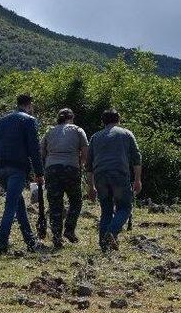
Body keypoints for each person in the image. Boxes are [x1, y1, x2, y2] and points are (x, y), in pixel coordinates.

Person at [0, 94, 45, 256]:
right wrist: (39, 172)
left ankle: (30, 241)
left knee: (18, 203)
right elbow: (34, 148)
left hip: (0, 168)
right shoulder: (28, 120)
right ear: (30, 105)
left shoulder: (1, 121)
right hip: (17, 168)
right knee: (10, 206)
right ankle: (0, 244)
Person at [86, 109, 142, 252]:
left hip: (100, 176)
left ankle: (104, 245)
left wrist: (90, 186)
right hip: (119, 174)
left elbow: (89, 164)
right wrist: (137, 180)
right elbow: (136, 158)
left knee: (106, 210)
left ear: (103, 122)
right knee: (124, 207)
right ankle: (111, 232)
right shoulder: (126, 134)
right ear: (119, 119)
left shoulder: (95, 137)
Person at [40, 108, 89, 249]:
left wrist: (47, 165)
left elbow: (42, 151)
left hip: (52, 169)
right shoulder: (78, 130)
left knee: (55, 203)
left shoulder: (49, 131)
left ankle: (56, 236)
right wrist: (81, 165)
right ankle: (69, 229)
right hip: (71, 168)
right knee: (76, 200)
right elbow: (85, 151)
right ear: (71, 118)